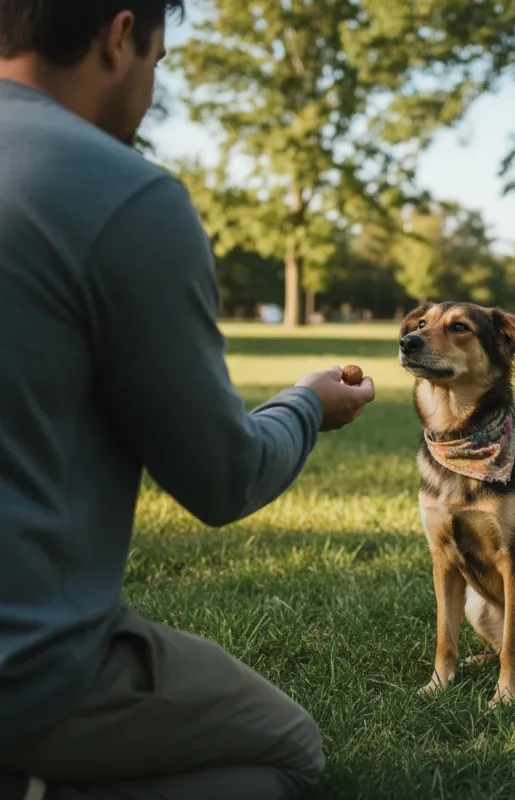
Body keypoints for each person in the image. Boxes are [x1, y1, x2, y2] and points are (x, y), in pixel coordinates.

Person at [0, 2, 376, 798]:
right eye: (160, 61)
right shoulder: (120, 192)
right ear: (118, 37)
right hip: (26, 668)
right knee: (287, 754)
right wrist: (306, 406)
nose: (149, 85)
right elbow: (220, 479)